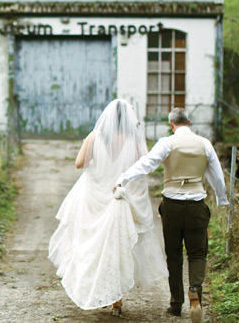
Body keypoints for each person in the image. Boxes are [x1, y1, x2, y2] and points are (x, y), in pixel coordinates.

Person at [48, 99, 168, 315]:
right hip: (120, 197)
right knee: (117, 248)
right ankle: (116, 300)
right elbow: (145, 166)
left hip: (95, 198)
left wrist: (99, 164)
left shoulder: (95, 137)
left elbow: (79, 163)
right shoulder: (133, 140)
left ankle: (100, 291)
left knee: (93, 245)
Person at [114, 107, 228, 323]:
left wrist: (123, 178)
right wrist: (222, 199)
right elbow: (217, 176)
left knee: (174, 256)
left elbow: (146, 164)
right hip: (196, 206)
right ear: (189, 121)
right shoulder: (205, 144)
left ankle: (176, 304)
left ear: (171, 124)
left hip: (172, 207)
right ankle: (195, 294)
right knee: (197, 253)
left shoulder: (166, 143)